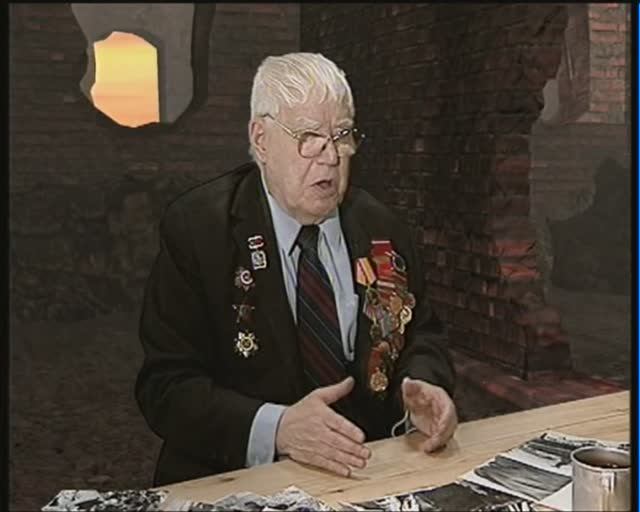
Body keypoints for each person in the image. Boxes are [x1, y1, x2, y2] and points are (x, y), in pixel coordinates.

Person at [136, 52, 457, 486]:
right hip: (238, 478)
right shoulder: (199, 229)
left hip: (365, 469)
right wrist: (278, 429)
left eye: (342, 135)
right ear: (261, 140)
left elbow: (421, 334)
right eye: (309, 137)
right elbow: (166, 388)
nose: (331, 157)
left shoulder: (382, 227)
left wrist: (421, 386)